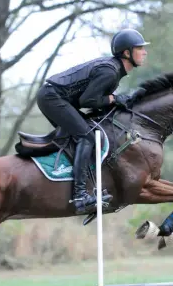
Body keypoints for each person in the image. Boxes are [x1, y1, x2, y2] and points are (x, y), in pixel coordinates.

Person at [36, 28, 149, 215]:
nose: (144, 52)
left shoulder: (114, 70)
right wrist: (113, 99)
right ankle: (80, 196)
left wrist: (116, 101)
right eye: (140, 48)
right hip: (52, 98)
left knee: (88, 132)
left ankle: (78, 184)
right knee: (87, 137)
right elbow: (87, 101)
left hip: (55, 97)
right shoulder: (110, 72)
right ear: (127, 53)